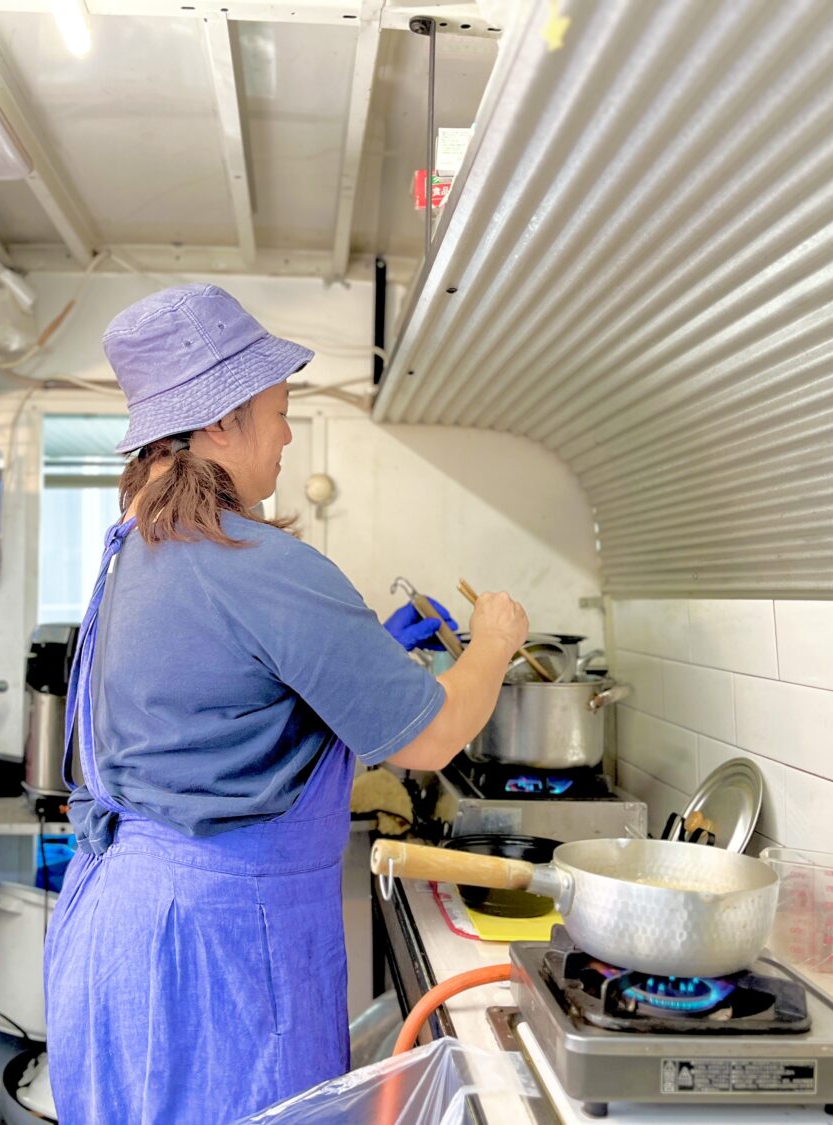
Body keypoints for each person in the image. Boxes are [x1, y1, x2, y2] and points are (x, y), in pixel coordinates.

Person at [43, 283, 529, 1124]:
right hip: (218, 959)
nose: (289, 430)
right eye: (279, 407)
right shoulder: (259, 563)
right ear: (220, 421)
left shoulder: (131, 552)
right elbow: (435, 736)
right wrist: (493, 640)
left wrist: (369, 647)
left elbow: (227, 691)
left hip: (114, 935)